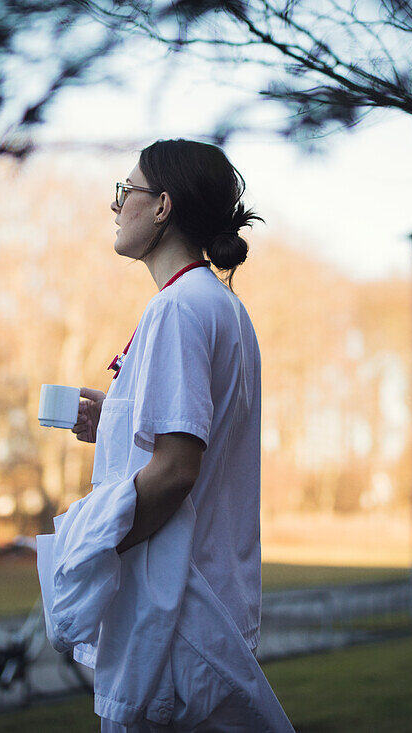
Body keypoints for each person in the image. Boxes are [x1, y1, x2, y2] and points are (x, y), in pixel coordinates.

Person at [35, 139, 293, 732]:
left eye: (126, 192)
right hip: (208, 604)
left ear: (162, 207)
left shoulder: (176, 309)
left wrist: (91, 548)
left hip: (176, 613)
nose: (116, 206)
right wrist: (120, 421)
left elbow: (176, 471)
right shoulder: (222, 305)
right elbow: (199, 443)